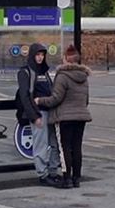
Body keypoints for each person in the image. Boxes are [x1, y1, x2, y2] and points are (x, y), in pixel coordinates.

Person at [35, 44, 91, 189]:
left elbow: (56, 99)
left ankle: (67, 178)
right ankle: (76, 178)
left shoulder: (62, 76)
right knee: (76, 147)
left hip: (64, 118)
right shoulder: (84, 77)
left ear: (66, 59)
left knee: (64, 148)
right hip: (81, 116)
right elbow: (86, 99)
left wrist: (39, 100)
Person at [17, 43, 61, 186]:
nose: (40, 58)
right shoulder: (25, 72)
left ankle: (53, 171)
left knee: (54, 144)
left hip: (50, 111)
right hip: (39, 113)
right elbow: (25, 96)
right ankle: (43, 174)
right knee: (41, 145)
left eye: (42, 55)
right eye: (38, 55)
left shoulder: (44, 72)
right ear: (32, 55)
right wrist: (34, 116)